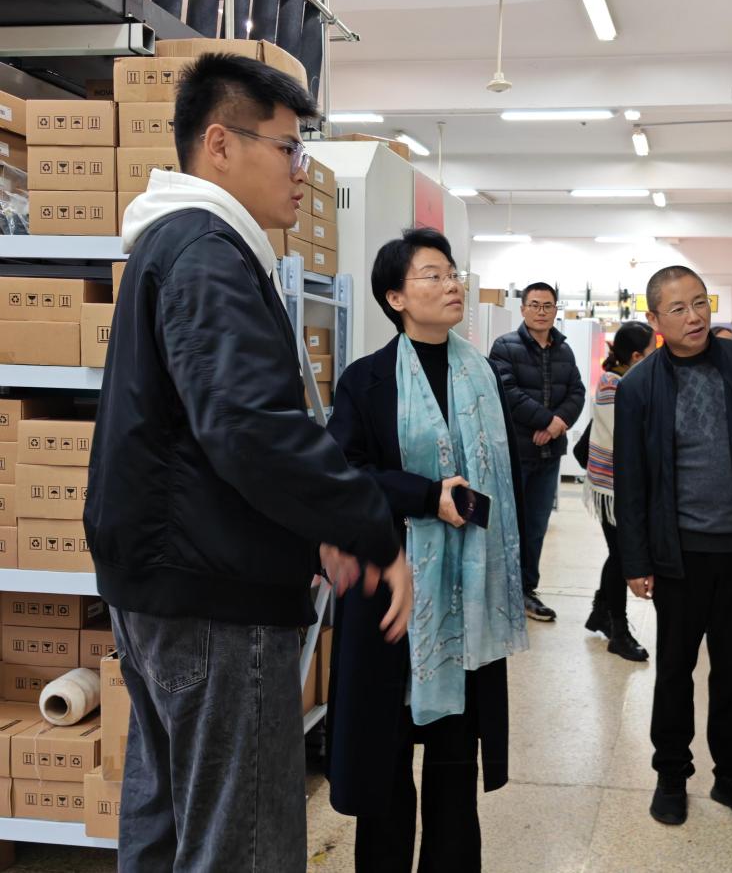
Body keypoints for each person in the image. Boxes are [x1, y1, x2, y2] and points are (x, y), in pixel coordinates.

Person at [84, 54, 412, 872]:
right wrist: (367, 523)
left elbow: (209, 435)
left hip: (167, 585)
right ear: (221, 144)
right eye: (290, 148)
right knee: (241, 847)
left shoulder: (176, 245)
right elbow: (248, 428)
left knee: (168, 829)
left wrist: (312, 523)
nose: (303, 172)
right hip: (215, 603)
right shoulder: (206, 251)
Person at [325, 228, 528, 872]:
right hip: (394, 592)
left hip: (468, 594)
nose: (451, 285)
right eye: (432, 275)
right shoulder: (366, 380)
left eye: (452, 273)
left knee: (453, 763)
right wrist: (424, 495)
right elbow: (343, 474)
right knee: (387, 765)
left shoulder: (482, 376)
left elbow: (504, 481)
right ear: (396, 297)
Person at [615, 265, 732, 831]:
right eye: (679, 309)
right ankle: (671, 773)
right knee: (674, 669)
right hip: (679, 556)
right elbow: (631, 481)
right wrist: (636, 560)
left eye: (700, 303)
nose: (694, 317)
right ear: (654, 319)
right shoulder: (639, 387)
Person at [490, 282, 586, 621]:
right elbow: (506, 391)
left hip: (549, 455)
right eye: (534, 305)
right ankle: (503, 591)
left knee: (536, 526)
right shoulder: (505, 347)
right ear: (523, 309)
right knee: (509, 524)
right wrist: (548, 420)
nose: (541, 311)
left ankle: (526, 590)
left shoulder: (564, 350)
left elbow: (577, 392)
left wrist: (558, 424)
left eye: (547, 306)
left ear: (555, 310)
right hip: (515, 452)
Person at [583, 322, 656, 662]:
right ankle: (618, 631)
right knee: (624, 557)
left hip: (614, 485)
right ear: (637, 357)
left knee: (617, 554)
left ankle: (602, 612)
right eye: (652, 352)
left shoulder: (620, 381)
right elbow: (632, 435)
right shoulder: (617, 386)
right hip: (614, 488)